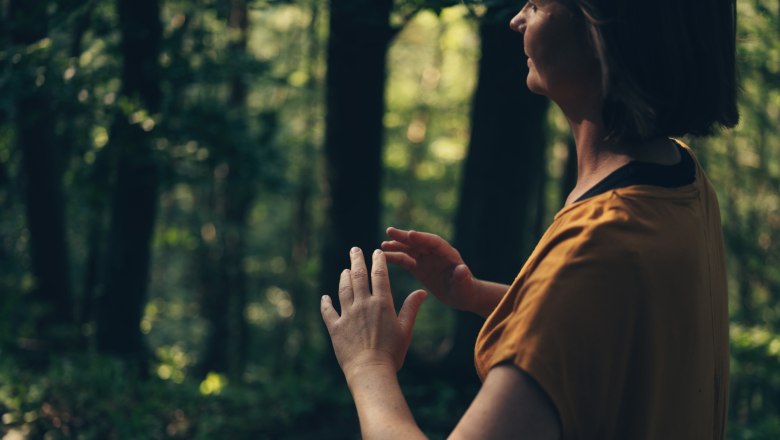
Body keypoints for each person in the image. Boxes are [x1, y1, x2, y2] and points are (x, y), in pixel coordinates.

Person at [320, 0, 738, 438]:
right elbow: (612, 329)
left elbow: (586, 278)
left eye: (537, 5)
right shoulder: (680, 179)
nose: (517, 18)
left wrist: (368, 364)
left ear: (601, 33)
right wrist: (481, 296)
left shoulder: (598, 242)